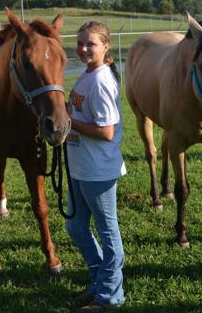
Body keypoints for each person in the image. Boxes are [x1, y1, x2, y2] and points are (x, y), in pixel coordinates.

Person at [65, 21, 126, 311]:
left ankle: (109, 296)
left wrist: (69, 122)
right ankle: (98, 281)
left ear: (105, 46)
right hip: (80, 166)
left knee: (107, 232)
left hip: (97, 170)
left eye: (91, 44)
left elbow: (106, 131)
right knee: (76, 226)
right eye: (80, 43)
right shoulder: (88, 74)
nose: (84, 48)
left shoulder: (101, 80)